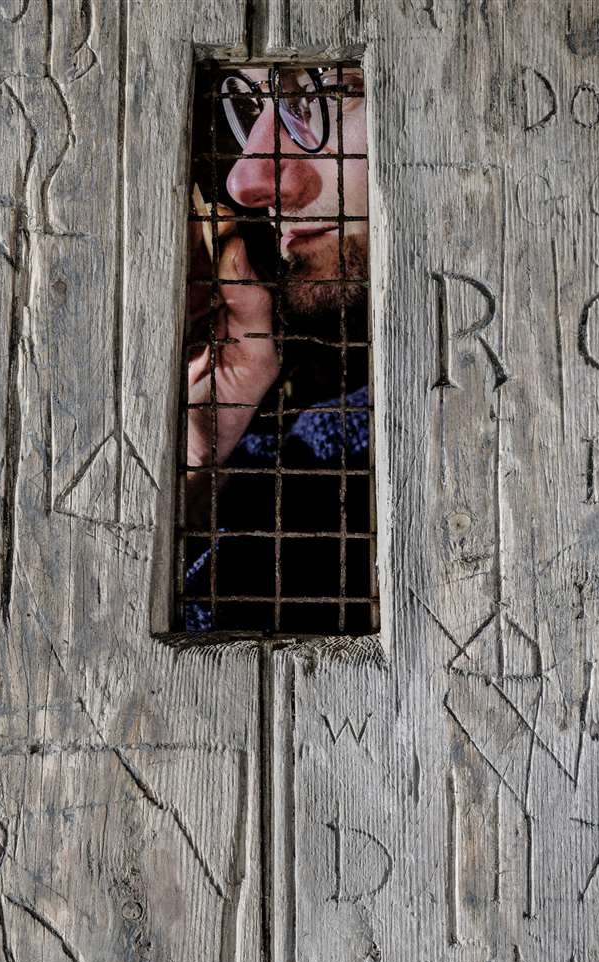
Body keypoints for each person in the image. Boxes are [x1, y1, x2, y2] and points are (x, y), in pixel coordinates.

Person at [181, 64, 374, 634]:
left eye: (329, 88)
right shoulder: (314, 468)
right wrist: (194, 470)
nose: (245, 180)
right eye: (249, 106)